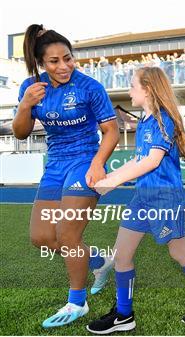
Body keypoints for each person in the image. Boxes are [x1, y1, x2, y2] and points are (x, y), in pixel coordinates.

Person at [86, 67, 185, 334]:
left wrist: (111, 181)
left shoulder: (164, 118)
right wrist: (110, 180)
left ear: (147, 89)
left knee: (178, 252)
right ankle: (124, 315)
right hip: (142, 198)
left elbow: (152, 160)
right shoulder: (146, 119)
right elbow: (137, 160)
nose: (129, 90)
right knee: (122, 255)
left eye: (132, 85)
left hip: (165, 199)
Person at [13, 24, 119, 328]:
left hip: (85, 162)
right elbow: (21, 133)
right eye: (54, 61)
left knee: (68, 235)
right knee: (41, 237)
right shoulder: (31, 88)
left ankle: (77, 301)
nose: (64, 66)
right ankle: (100, 261)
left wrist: (99, 163)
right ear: (41, 63)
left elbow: (110, 131)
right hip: (55, 165)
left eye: (68, 58)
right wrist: (25, 105)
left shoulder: (90, 87)